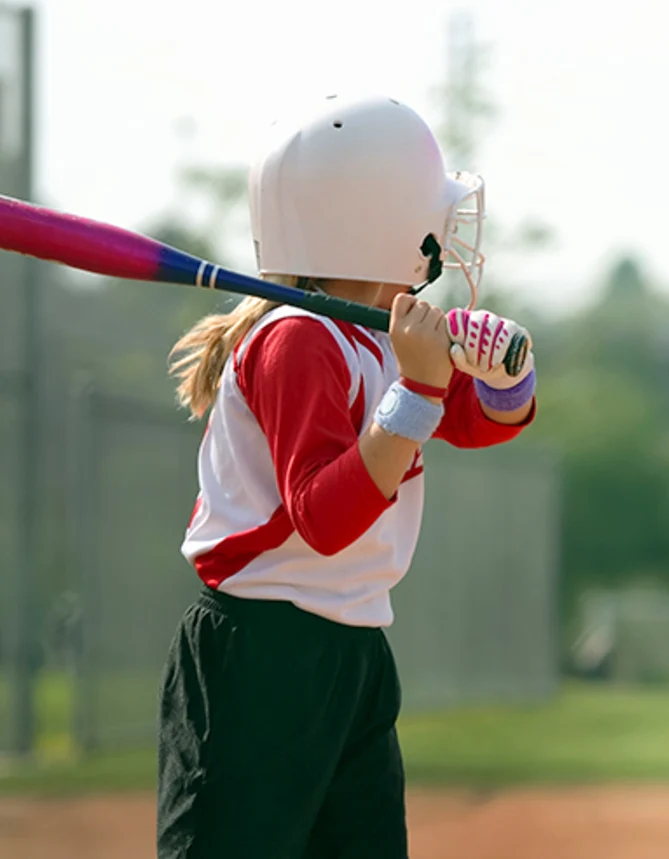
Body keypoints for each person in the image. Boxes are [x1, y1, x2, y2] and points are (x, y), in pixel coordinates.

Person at [156, 93, 538, 859]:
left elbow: (479, 419)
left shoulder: (383, 331)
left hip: (352, 647)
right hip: (262, 652)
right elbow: (324, 519)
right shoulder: (296, 339)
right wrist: (422, 387)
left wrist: (509, 376)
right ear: (377, 221)